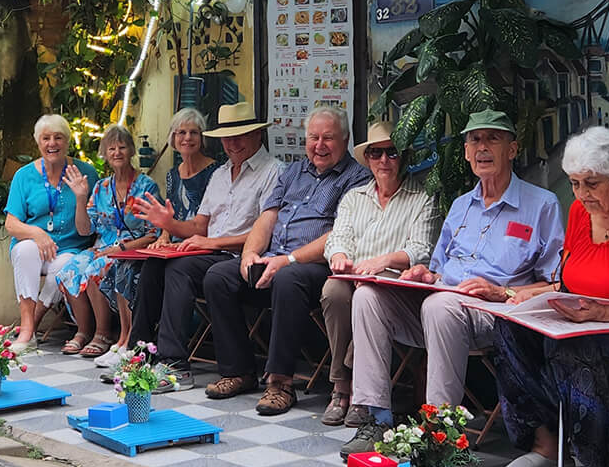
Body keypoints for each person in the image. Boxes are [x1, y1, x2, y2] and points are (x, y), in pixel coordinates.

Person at [343, 111, 563, 461]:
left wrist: (502, 292)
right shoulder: (461, 206)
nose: (482, 147)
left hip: (494, 314)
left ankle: (438, 431)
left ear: (512, 149)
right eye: (475, 140)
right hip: (442, 306)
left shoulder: (541, 205)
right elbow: (439, 271)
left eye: (493, 138)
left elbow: (556, 283)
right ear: (465, 152)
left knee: (439, 306)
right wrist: (424, 275)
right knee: (370, 294)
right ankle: (377, 418)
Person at [487, 126, 609, 467]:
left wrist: (607, 313)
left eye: (592, 184)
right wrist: (522, 295)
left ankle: (600, 460)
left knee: (573, 349)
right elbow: (566, 281)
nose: (582, 195)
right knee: (509, 329)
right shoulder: (581, 211)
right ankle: (545, 444)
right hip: (579, 317)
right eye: (575, 183)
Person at [202, 103, 371, 415]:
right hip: (273, 260)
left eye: (328, 138)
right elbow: (267, 218)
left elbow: (339, 234)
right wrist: (251, 253)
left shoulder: (356, 178)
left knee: (288, 278)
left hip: (315, 267)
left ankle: (280, 383)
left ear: (345, 140)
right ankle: (238, 370)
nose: (319, 146)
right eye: (313, 138)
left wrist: (289, 260)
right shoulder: (294, 171)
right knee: (218, 276)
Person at [129, 101, 279, 372]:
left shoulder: (273, 171)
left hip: (240, 257)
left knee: (179, 267)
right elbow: (200, 225)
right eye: (226, 139)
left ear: (257, 134)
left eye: (239, 137)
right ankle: (139, 354)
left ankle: (172, 362)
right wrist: (169, 224)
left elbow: (266, 231)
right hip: (211, 254)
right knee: (153, 264)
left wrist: (211, 242)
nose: (232, 144)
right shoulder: (221, 174)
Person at [318, 121, 439, 426]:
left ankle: (355, 394)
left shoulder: (422, 197)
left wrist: (381, 263)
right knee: (333, 291)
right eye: (376, 154)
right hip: (353, 277)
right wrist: (341, 257)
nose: (384, 161)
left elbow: (421, 249)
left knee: (369, 295)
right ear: (368, 158)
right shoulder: (354, 197)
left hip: (395, 285)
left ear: (404, 157)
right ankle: (341, 386)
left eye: (392, 153)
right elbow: (337, 239)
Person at [56, 125, 161, 362]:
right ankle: (84, 331)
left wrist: (121, 248)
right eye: (111, 148)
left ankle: (103, 335)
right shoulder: (101, 187)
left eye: (122, 147)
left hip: (134, 249)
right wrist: (80, 198)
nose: (117, 152)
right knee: (70, 269)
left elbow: (155, 233)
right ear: (105, 152)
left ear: (131, 150)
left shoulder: (146, 186)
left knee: (95, 269)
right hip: (104, 246)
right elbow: (85, 229)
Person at [3, 114, 99, 351]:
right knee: (24, 250)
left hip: (70, 249)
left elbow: (90, 226)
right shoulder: (24, 176)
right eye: (46, 138)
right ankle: (27, 328)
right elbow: (11, 224)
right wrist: (36, 234)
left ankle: (30, 326)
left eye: (58, 137)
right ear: (38, 142)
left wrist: (80, 197)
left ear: (68, 142)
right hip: (35, 249)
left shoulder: (85, 172)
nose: (52, 144)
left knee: (66, 266)